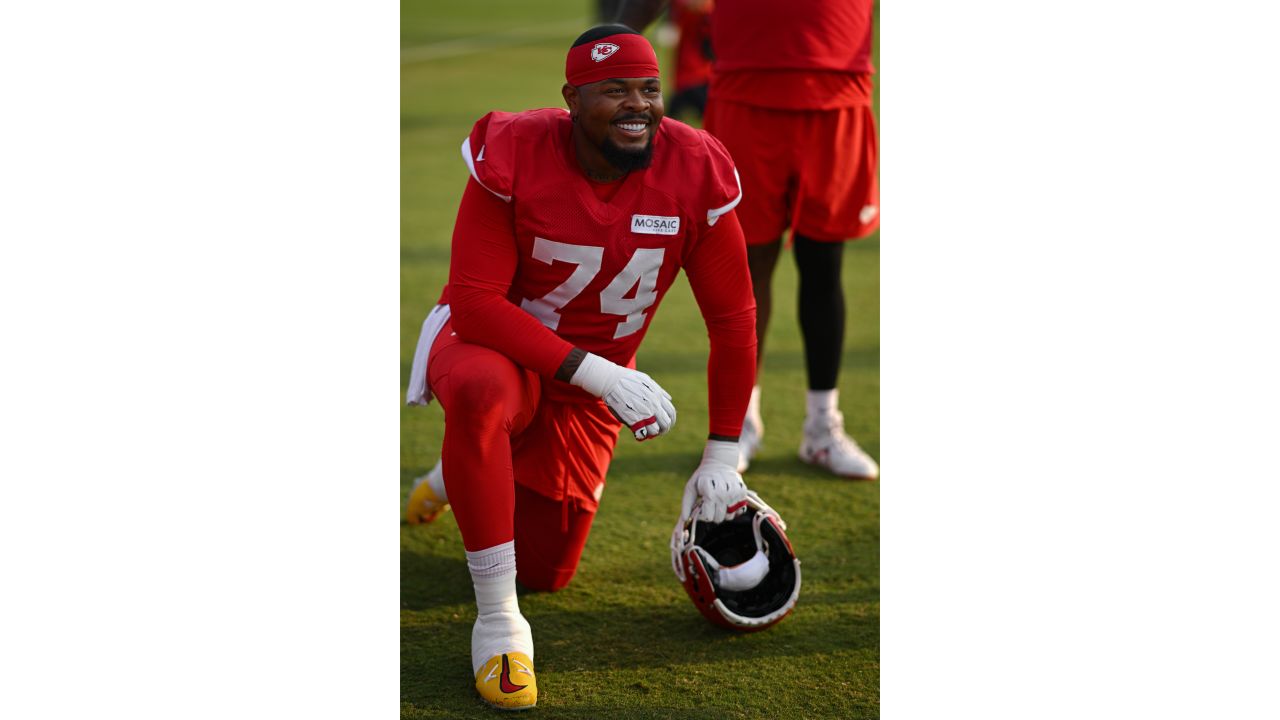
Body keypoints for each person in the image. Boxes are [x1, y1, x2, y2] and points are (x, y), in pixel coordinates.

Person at [403, 25, 759, 711]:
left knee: (551, 569)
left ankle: (458, 474)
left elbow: (734, 319)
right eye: (614, 90)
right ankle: (499, 624)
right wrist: (601, 375)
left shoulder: (695, 166)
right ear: (571, 99)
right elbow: (475, 304)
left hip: (589, 381)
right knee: (483, 393)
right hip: (499, 349)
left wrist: (722, 455)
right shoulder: (516, 149)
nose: (638, 105)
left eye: (649, 89)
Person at [617, 0, 881, 479]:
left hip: (838, 95)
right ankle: (739, 427)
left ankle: (822, 427)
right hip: (746, 94)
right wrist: (614, 35)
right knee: (746, 269)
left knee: (825, 268)